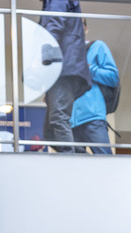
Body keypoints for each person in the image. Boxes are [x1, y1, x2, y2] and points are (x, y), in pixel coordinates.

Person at [39, 0, 91, 151]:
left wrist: (44, 58)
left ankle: (71, 161)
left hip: (65, 67)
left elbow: (53, 25)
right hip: (63, 67)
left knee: (59, 119)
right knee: (50, 133)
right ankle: (79, 157)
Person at [71, 23, 119, 154]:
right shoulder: (65, 53)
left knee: (104, 160)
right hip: (69, 121)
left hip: (92, 117)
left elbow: (113, 77)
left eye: (80, 24)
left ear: (86, 29)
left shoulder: (97, 46)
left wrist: (89, 68)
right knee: (72, 164)